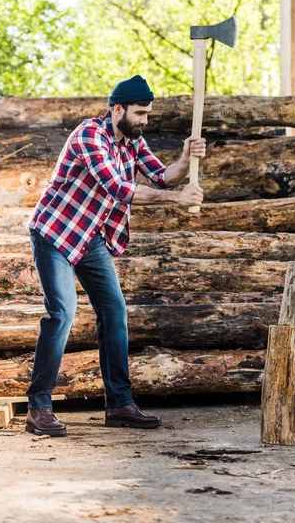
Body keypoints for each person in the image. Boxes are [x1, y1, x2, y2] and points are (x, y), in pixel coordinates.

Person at [26, 75, 206, 437]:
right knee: (63, 313)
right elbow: (117, 187)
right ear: (118, 109)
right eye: (140, 113)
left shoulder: (132, 141)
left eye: (148, 114)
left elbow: (162, 176)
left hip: (90, 237)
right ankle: (38, 407)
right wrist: (177, 199)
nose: (144, 120)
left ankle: (120, 404)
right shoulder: (89, 135)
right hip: (56, 232)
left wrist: (186, 160)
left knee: (114, 311)